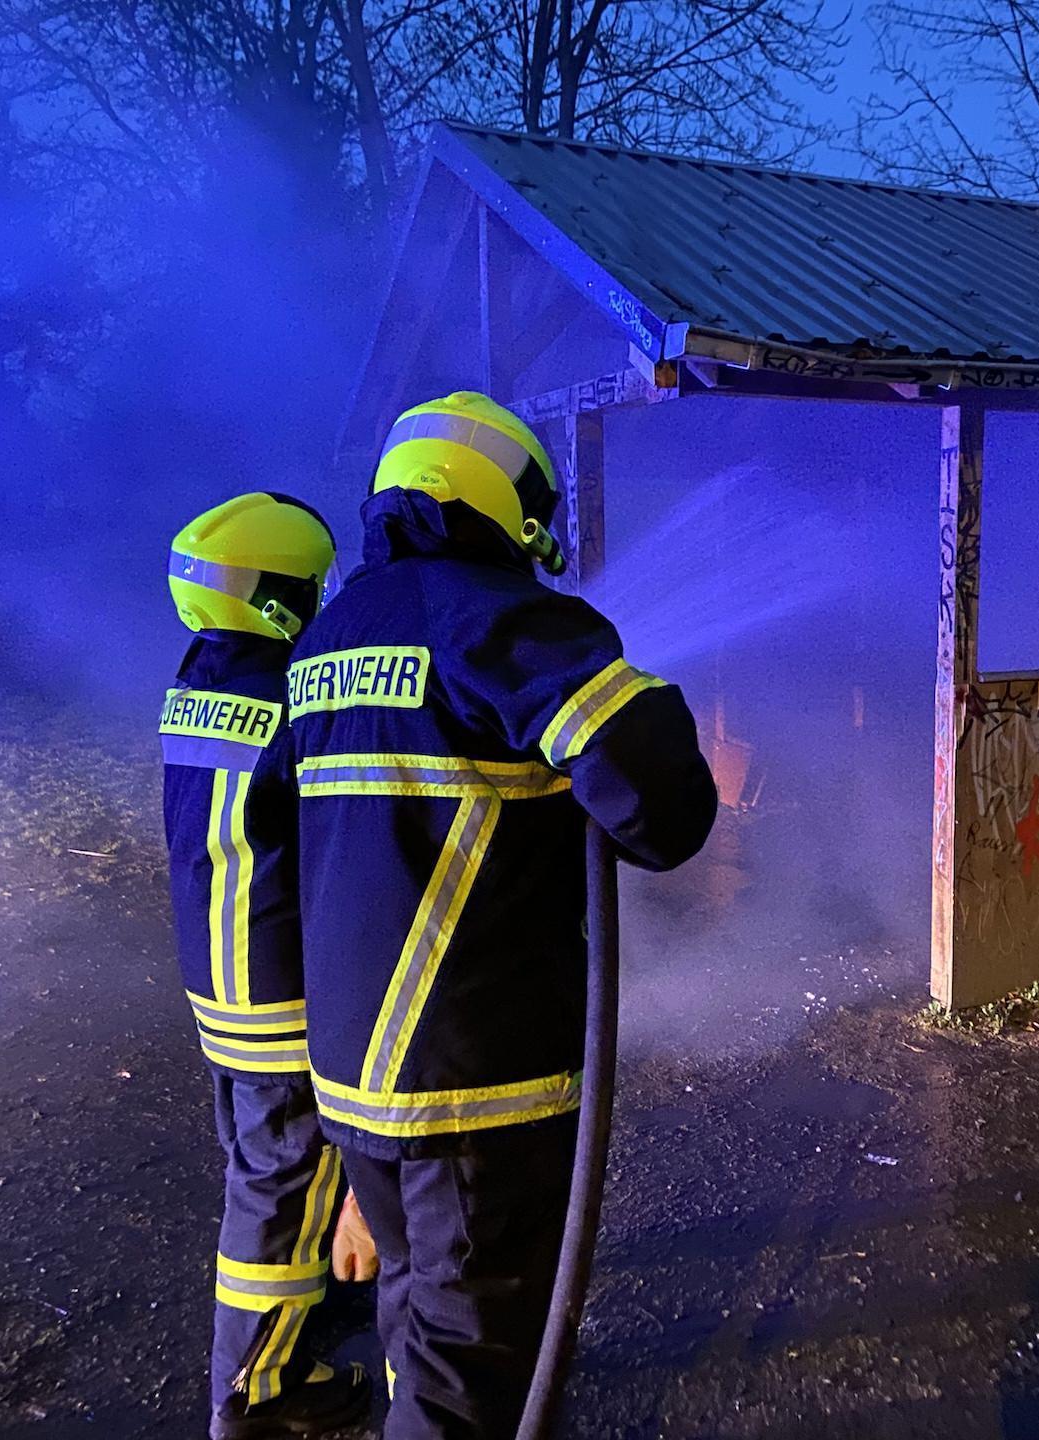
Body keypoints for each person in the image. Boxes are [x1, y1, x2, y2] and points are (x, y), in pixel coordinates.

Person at [285, 393, 718, 1438]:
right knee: (470, 1362)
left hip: (356, 1071)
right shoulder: (496, 617)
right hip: (469, 1080)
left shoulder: (329, 639)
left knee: (419, 1312)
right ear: (510, 504)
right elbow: (660, 805)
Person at [161, 492, 375, 1439]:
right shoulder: (287, 697)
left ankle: (293, 1321)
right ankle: (258, 1394)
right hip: (282, 987)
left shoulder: (199, 677)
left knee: (262, 1168)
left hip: (221, 978)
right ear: (283, 597)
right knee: (283, 1190)